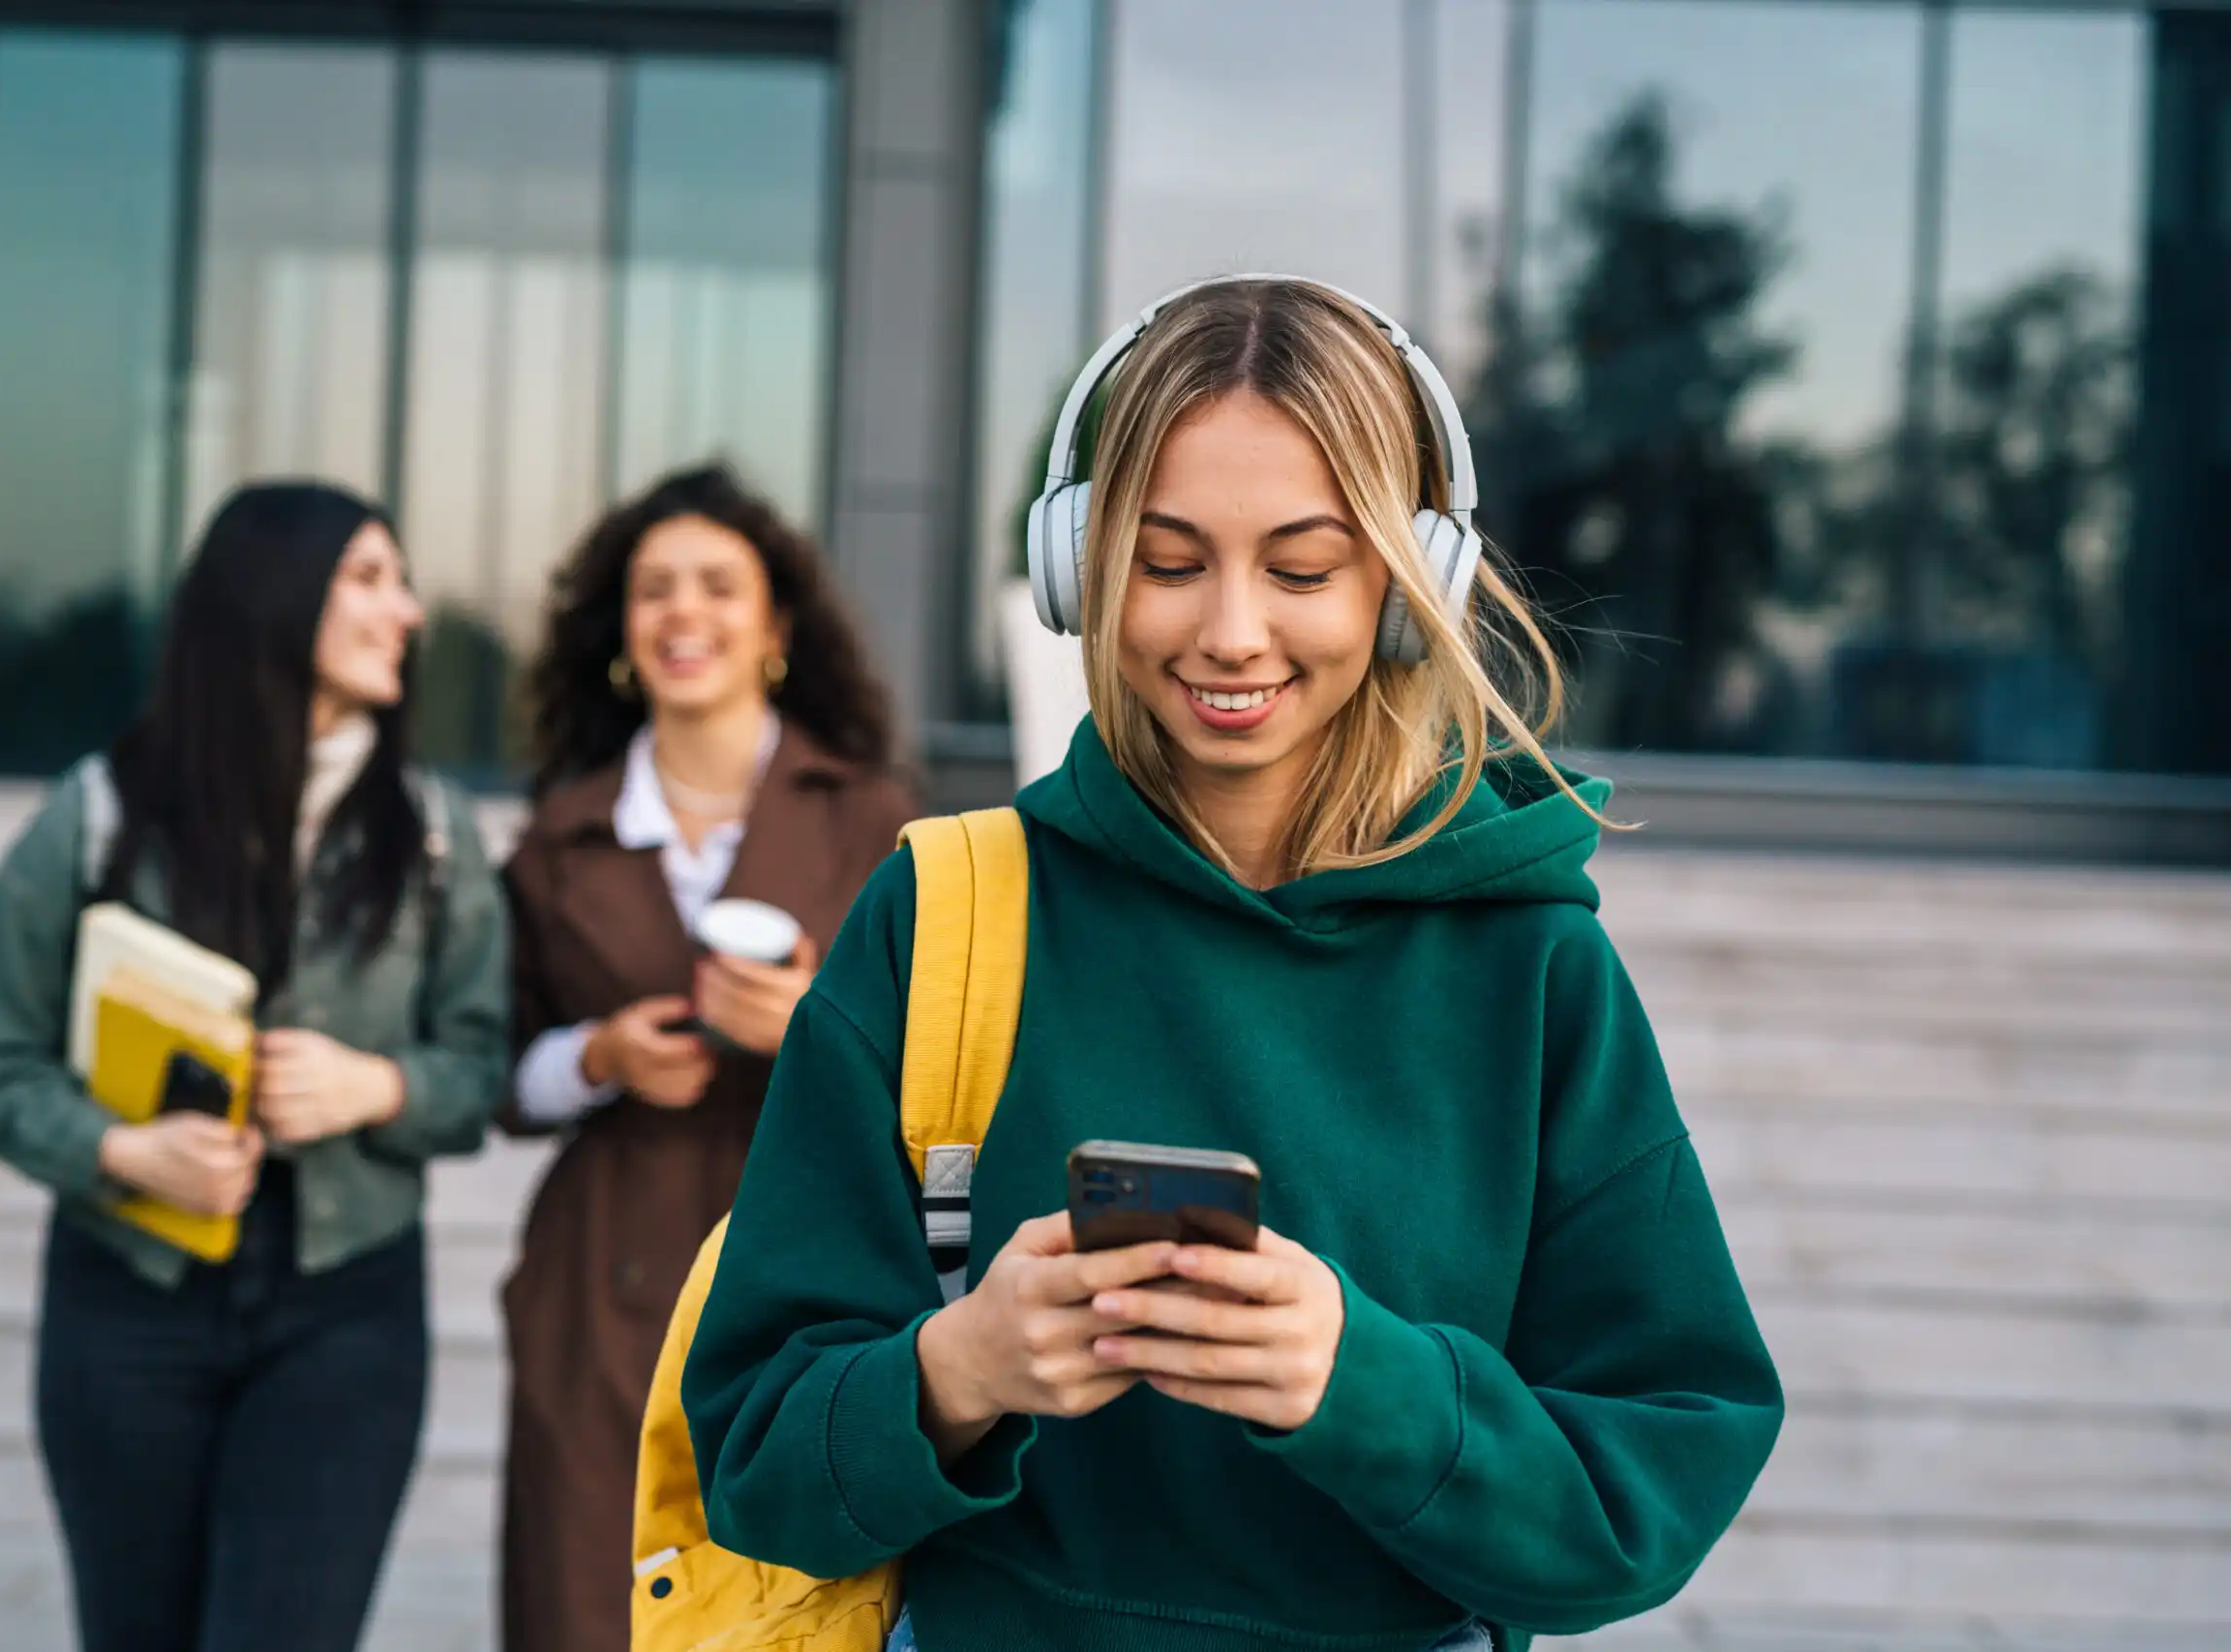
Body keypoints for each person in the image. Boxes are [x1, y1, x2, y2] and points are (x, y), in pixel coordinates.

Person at [681, 278, 1784, 1650]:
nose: (1232, 631)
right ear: (1079, 566)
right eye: (1167, 558)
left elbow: (1645, 1493)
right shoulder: (948, 911)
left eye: (1305, 567)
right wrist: (955, 1370)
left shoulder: (1533, 966)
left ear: (1405, 580)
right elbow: (751, 1454)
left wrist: (1361, 1380)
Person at [0, 482, 511, 1652]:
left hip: (345, 1307)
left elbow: (484, 1058)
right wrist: (116, 1149)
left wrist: (377, 1088)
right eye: (369, 578)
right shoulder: (95, 816)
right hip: (124, 1302)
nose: (405, 611)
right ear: (273, 597)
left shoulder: (437, 837)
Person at [496, 464, 916, 1651]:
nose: (685, 613)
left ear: (774, 627)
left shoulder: (875, 818)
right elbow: (497, 1071)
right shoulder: (561, 831)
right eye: (654, 590)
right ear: (621, 634)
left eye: (718, 587)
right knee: (584, 1604)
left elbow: (955, 1069)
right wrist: (597, 1058)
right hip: (600, 1288)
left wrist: (815, 1038)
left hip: (808, 1264)